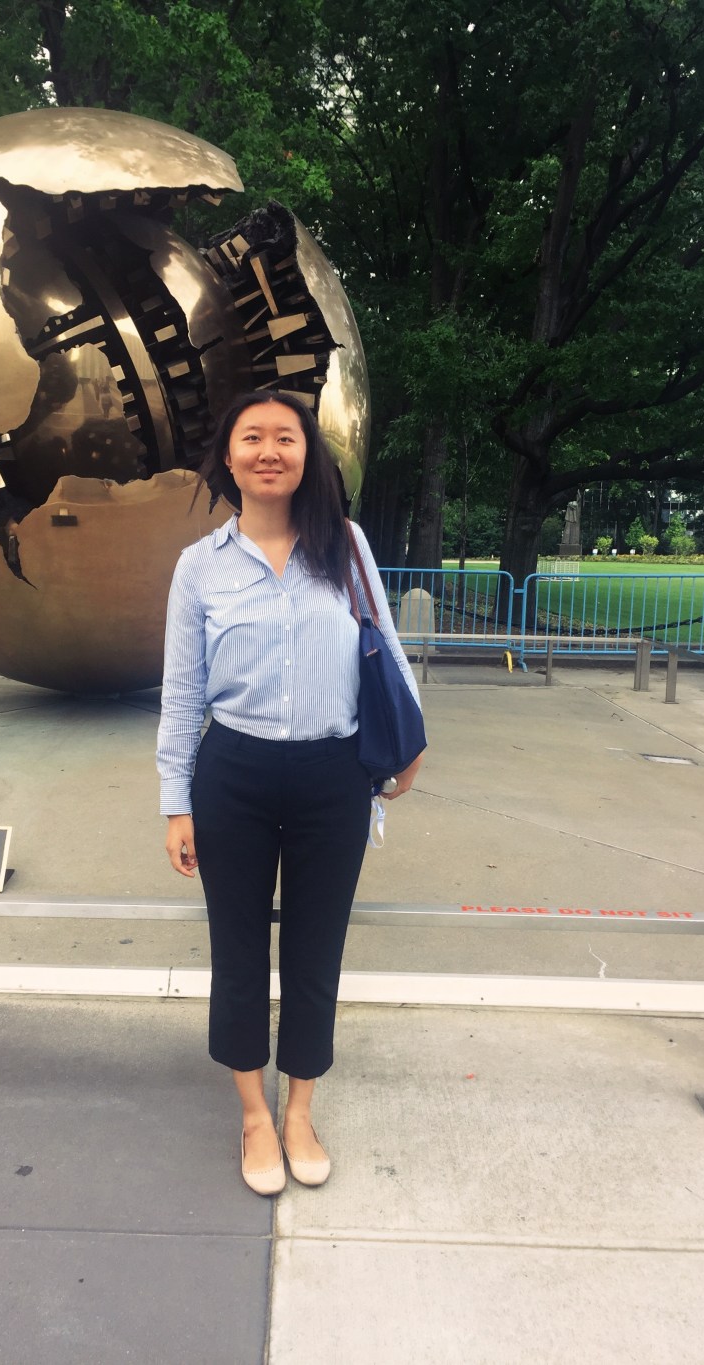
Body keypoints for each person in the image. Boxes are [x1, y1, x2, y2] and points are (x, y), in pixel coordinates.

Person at [156, 391, 424, 1195]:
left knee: (316, 949)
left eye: (287, 437)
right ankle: (252, 1115)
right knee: (237, 951)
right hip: (231, 774)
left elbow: (384, 643)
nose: (270, 450)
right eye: (253, 437)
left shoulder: (343, 545)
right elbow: (180, 690)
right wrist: (176, 800)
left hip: (332, 775)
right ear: (228, 456)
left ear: (308, 454)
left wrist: (411, 743)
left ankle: (301, 1107)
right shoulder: (200, 566)